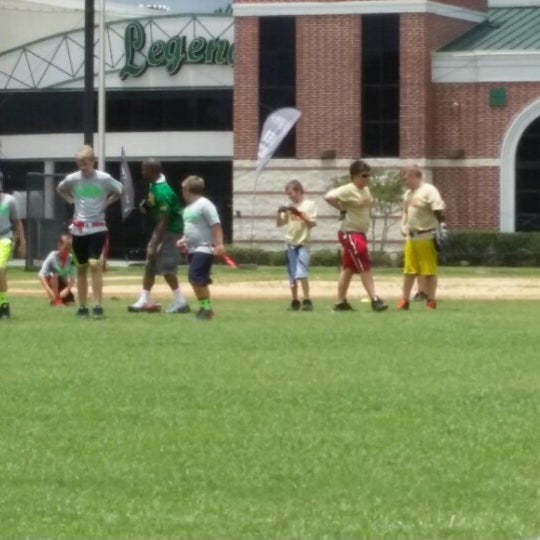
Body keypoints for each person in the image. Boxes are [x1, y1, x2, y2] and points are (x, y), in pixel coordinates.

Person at [56, 145, 123, 319]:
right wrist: (71, 200)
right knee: (81, 268)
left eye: (85, 163)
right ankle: (83, 307)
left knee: (95, 264)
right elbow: (60, 188)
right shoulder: (73, 179)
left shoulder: (104, 178)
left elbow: (120, 190)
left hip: (97, 227)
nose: (82, 167)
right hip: (78, 229)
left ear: (93, 161)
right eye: (79, 163)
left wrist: (107, 203)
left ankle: (98, 305)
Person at [324, 160, 388, 312]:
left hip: (360, 233)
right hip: (350, 233)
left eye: (368, 176)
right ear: (354, 176)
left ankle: (340, 303)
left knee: (349, 269)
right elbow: (328, 197)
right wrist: (342, 208)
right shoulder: (348, 189)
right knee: (364, 264)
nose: (367, 179)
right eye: (364, 176)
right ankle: (374, 299)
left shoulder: (366, 191)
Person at [128, 159, 189, 314]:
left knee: (166, 266)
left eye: (144, 170)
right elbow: (151, 200)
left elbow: (164, 221)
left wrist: (155, 245)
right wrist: (145, 206)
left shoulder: (163, 192)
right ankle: (143, 299)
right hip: (162, 229)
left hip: (171, 230)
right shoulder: (153, 185)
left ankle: (180, 301)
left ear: (152, 171)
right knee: (150, 264)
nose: (142, 172)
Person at [397, 165, 447, 310]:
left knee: (429, 270)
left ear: (414, 175)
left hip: (426, 236)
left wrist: (443, 226)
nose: (404, 181)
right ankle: (404, 300)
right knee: (409, 270)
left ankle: (431, 301)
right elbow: (406, 211)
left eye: (405, 177)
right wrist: (403, 225)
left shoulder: (429, 190)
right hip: (411, 238)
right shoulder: (408, 194)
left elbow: (438, 208)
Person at [177, 175, 224, 320]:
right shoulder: (188, 209)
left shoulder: (205, 204)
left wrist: (219, 244)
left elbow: (215, 225)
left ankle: (206, 309)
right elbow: (192, 228)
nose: (182, 193)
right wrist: (183, 240)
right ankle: (206, 308)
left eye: (183, 189)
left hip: (204, 247)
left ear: (187, 189)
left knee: (195, 277)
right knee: (196, 279)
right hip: (192, 248)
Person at [276, 180, 317, 311]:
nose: (290, 196)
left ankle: (307, 299)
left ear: (299, 191)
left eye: (291, 193)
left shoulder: (309, 204)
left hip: (303, 243)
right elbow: (279, 224)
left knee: (302, 273)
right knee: (292, 275)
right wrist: (279, 213)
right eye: (288, 194)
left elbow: (311, 224)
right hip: (289, 244)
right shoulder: (289, 206)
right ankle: (295, 300)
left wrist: (298, 213)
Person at [0, 171, 26, 319]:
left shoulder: (9, 200)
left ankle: (4, 305)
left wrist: (22, 242)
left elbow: (17, 221)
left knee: (0, 268)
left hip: (4, 238)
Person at [38, 233, 76, 306]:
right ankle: (56, 300)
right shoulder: (52, 256)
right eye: (65, 249)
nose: (67, 252)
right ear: (59, 246)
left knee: (71, 304)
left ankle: (57, 300)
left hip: (62, 282)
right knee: (56, 274)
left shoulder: (72, 259)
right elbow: (41, 275)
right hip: (51, 282)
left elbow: (72, 278)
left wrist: (67, 289)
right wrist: (48, 290)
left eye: (69, 250)